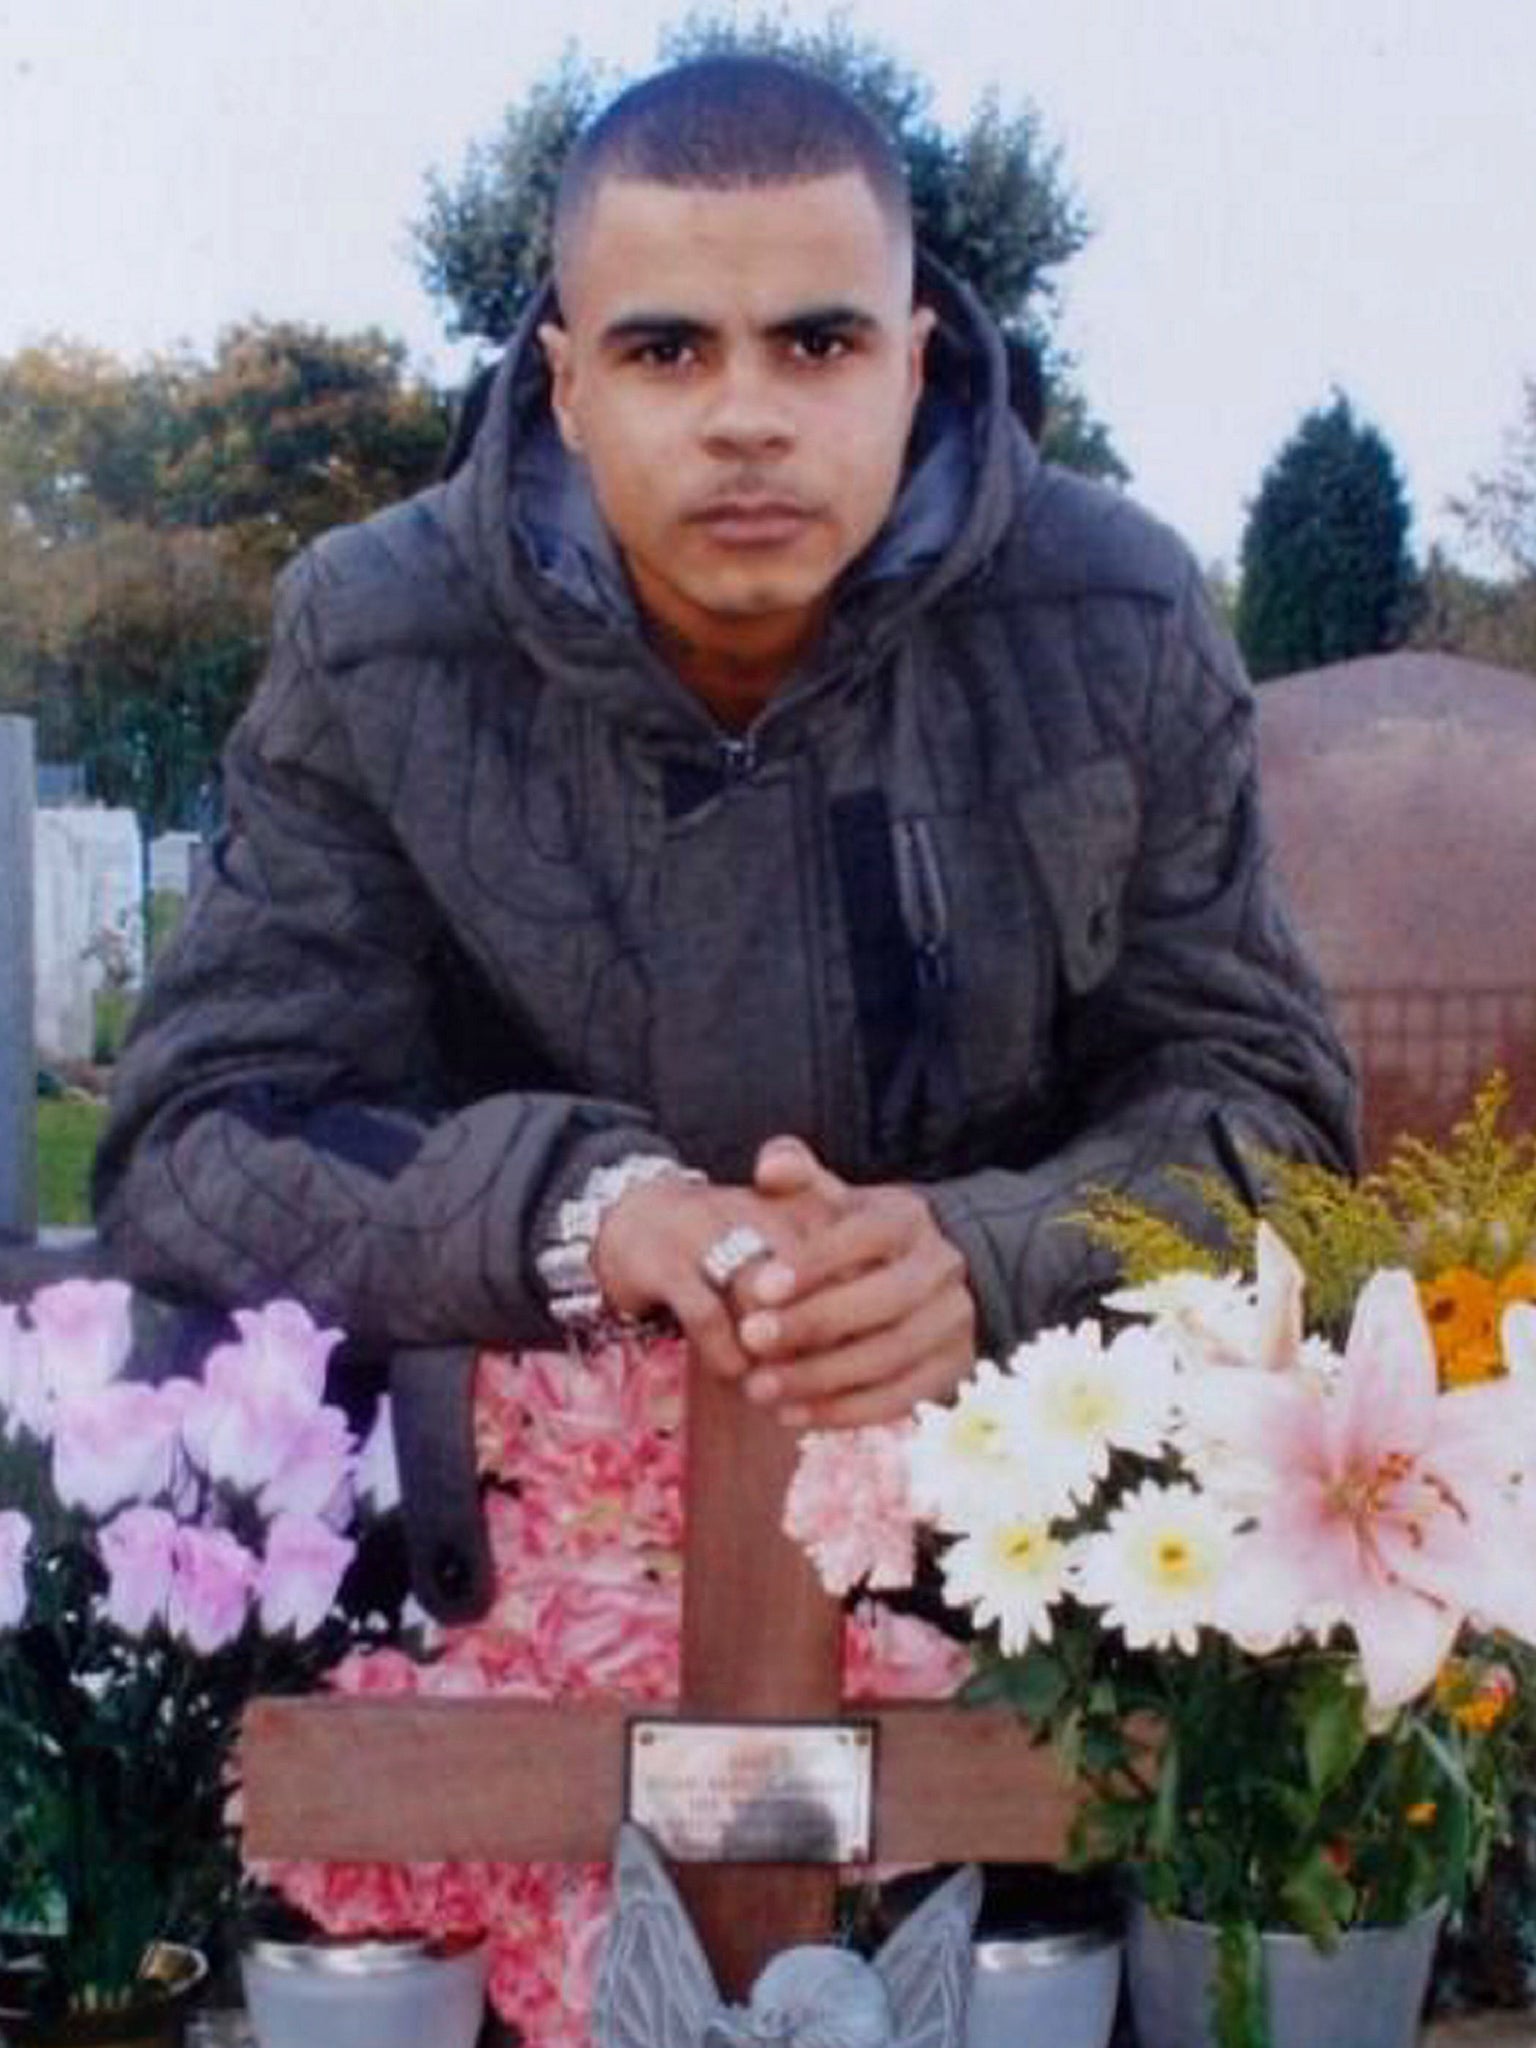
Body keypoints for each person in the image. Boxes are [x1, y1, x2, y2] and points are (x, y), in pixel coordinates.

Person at [95, 56, 1355, 1472]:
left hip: (1024, 1514)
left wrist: (981, 1257)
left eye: (818, 346)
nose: (747, 416)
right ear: (567, 385)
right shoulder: (380, 634)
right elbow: (199, 1144)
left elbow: (1272, 1126)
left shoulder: (1115, 615)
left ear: (913, 360)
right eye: (667, 351)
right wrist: (582, 1216)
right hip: (489, 1519)